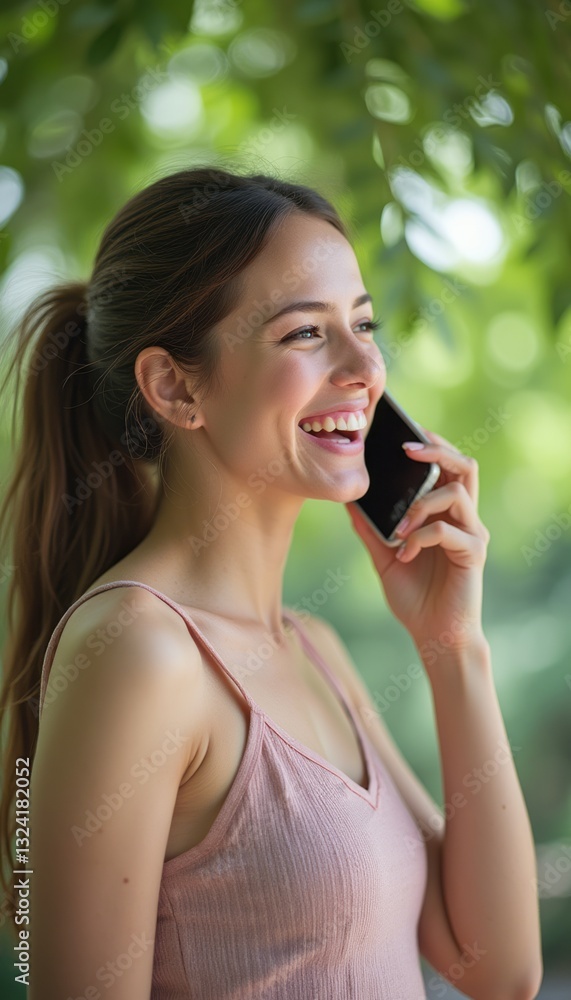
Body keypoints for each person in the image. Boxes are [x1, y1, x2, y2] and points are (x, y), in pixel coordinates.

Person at [0, 166, 542, 999]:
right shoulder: (138, 651)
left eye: (362, 324)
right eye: (305, 333)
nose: (365, 366)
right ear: (175, 386)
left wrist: (452, 646)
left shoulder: (313, 647)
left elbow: (498, 969)